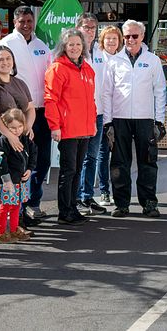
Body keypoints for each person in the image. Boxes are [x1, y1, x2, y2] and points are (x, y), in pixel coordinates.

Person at [101, 20, 167, 218]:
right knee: (119, 163)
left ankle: (149, 203)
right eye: (127, 36)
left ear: (142, 37)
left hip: (145, 119)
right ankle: (121, 204)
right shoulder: (113, 61)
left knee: (148, 161)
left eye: (134, 36)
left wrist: (158, 120)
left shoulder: (153, 60)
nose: (130, 40)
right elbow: (107, 93)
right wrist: (108, 122)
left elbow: (160, 91)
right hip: (119, 119)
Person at [0, 45, 36, 241]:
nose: (5, 62)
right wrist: (9, 136)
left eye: (8, 59)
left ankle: (14, 222)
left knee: (17, 178)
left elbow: (29, 108)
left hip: (19, 140)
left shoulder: (19, 83)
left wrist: (27, 128)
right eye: (0, 59)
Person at [0, 6, 51, 223]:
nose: (26, 25)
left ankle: (33, 203)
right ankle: (16, 212)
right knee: (18, 164)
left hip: (42, 113)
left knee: (42, 161)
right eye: (22, 21)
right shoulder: (7, 44)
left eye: (29, 21)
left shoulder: (42, 46)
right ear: (14, 22)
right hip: (18, 118)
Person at [45, 28, 97, 225]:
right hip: (67, 129)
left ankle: (72, 207)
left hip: (84, 129)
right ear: (64, 47)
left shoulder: (87, 69)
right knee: (68, 171)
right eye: (70, 44)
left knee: (76, 170)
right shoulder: (57, 68)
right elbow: (51, 99)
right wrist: (55, 126)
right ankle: (64, 211)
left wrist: (92, 123)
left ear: (83, 46)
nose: (74, 47)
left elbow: (90, 100)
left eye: (77, 44)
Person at [76, 13, 108, 216]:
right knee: (79, 158)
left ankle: (88, 195)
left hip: (98, 112)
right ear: (78, 27)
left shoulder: (100, 52)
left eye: (93, 27)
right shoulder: (72, 51)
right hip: (79, 113)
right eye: (86, 27)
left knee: (92, 157)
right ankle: (77, 197)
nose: (90, 31)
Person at [0, 108, 37, 243]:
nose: (17, 130)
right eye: (13, 128)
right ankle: (0, 233)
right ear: (6, 127)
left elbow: (33, 154)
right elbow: (2, 161)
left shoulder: (25, 139)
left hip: (21, 181)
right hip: (9, 182)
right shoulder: (4, 141)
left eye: (20, 126)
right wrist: (6, 180)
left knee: (16, 206)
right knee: (5, 207)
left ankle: (13, 230)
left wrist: (30, 169)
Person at [94, 25, 123, 207]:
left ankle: (120, 191)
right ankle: (104, 191)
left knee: (119, 154)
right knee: (102, 154)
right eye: (108, 38)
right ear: (102, 41)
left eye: (114, 38)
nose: (111, 41)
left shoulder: (123, 60)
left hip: (120, 113)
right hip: (100, 113)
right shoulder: (96, 58)